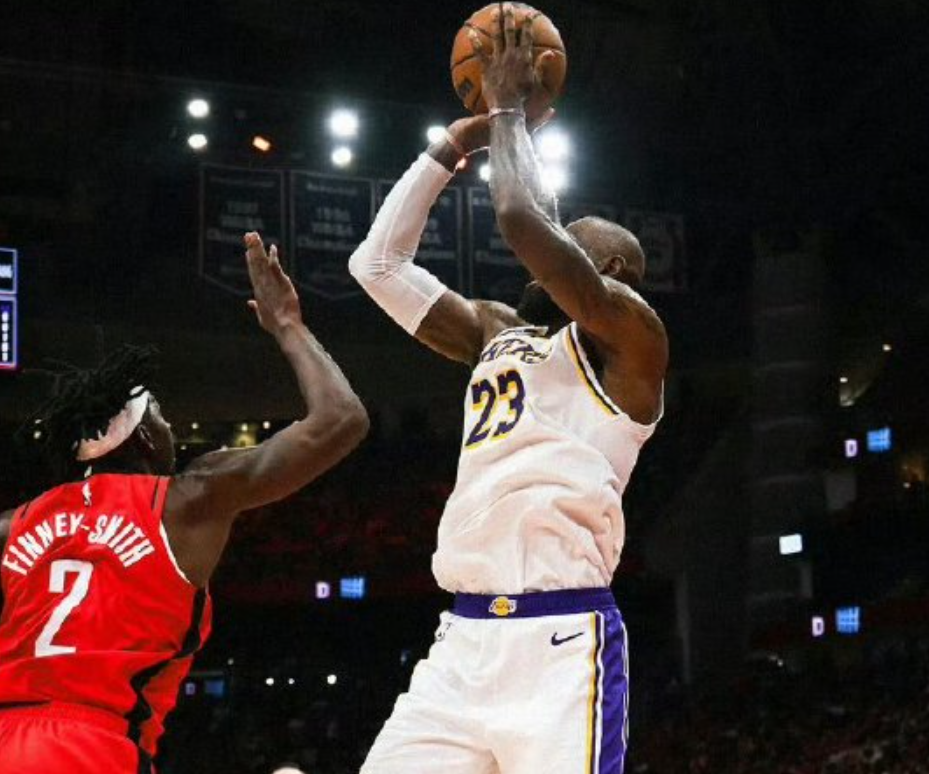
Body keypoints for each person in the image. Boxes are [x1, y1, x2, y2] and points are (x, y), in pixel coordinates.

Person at [348, 6, 668, 773]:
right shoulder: (496, 333)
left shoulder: (632, 340)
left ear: (608, 273)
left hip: (560, 641)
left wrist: (505, 111)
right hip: (461, 643)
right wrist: (447, 149)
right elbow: (376, 266)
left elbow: (523, 218)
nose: (555, 240)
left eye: (575, 237)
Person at [0, 232, 369, 774]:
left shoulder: (14, 525)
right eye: (162, 417)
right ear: (142, 438)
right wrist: (288, 325)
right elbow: (342, 420)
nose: (172, 429)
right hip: (93, 748)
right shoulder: (187, 498)